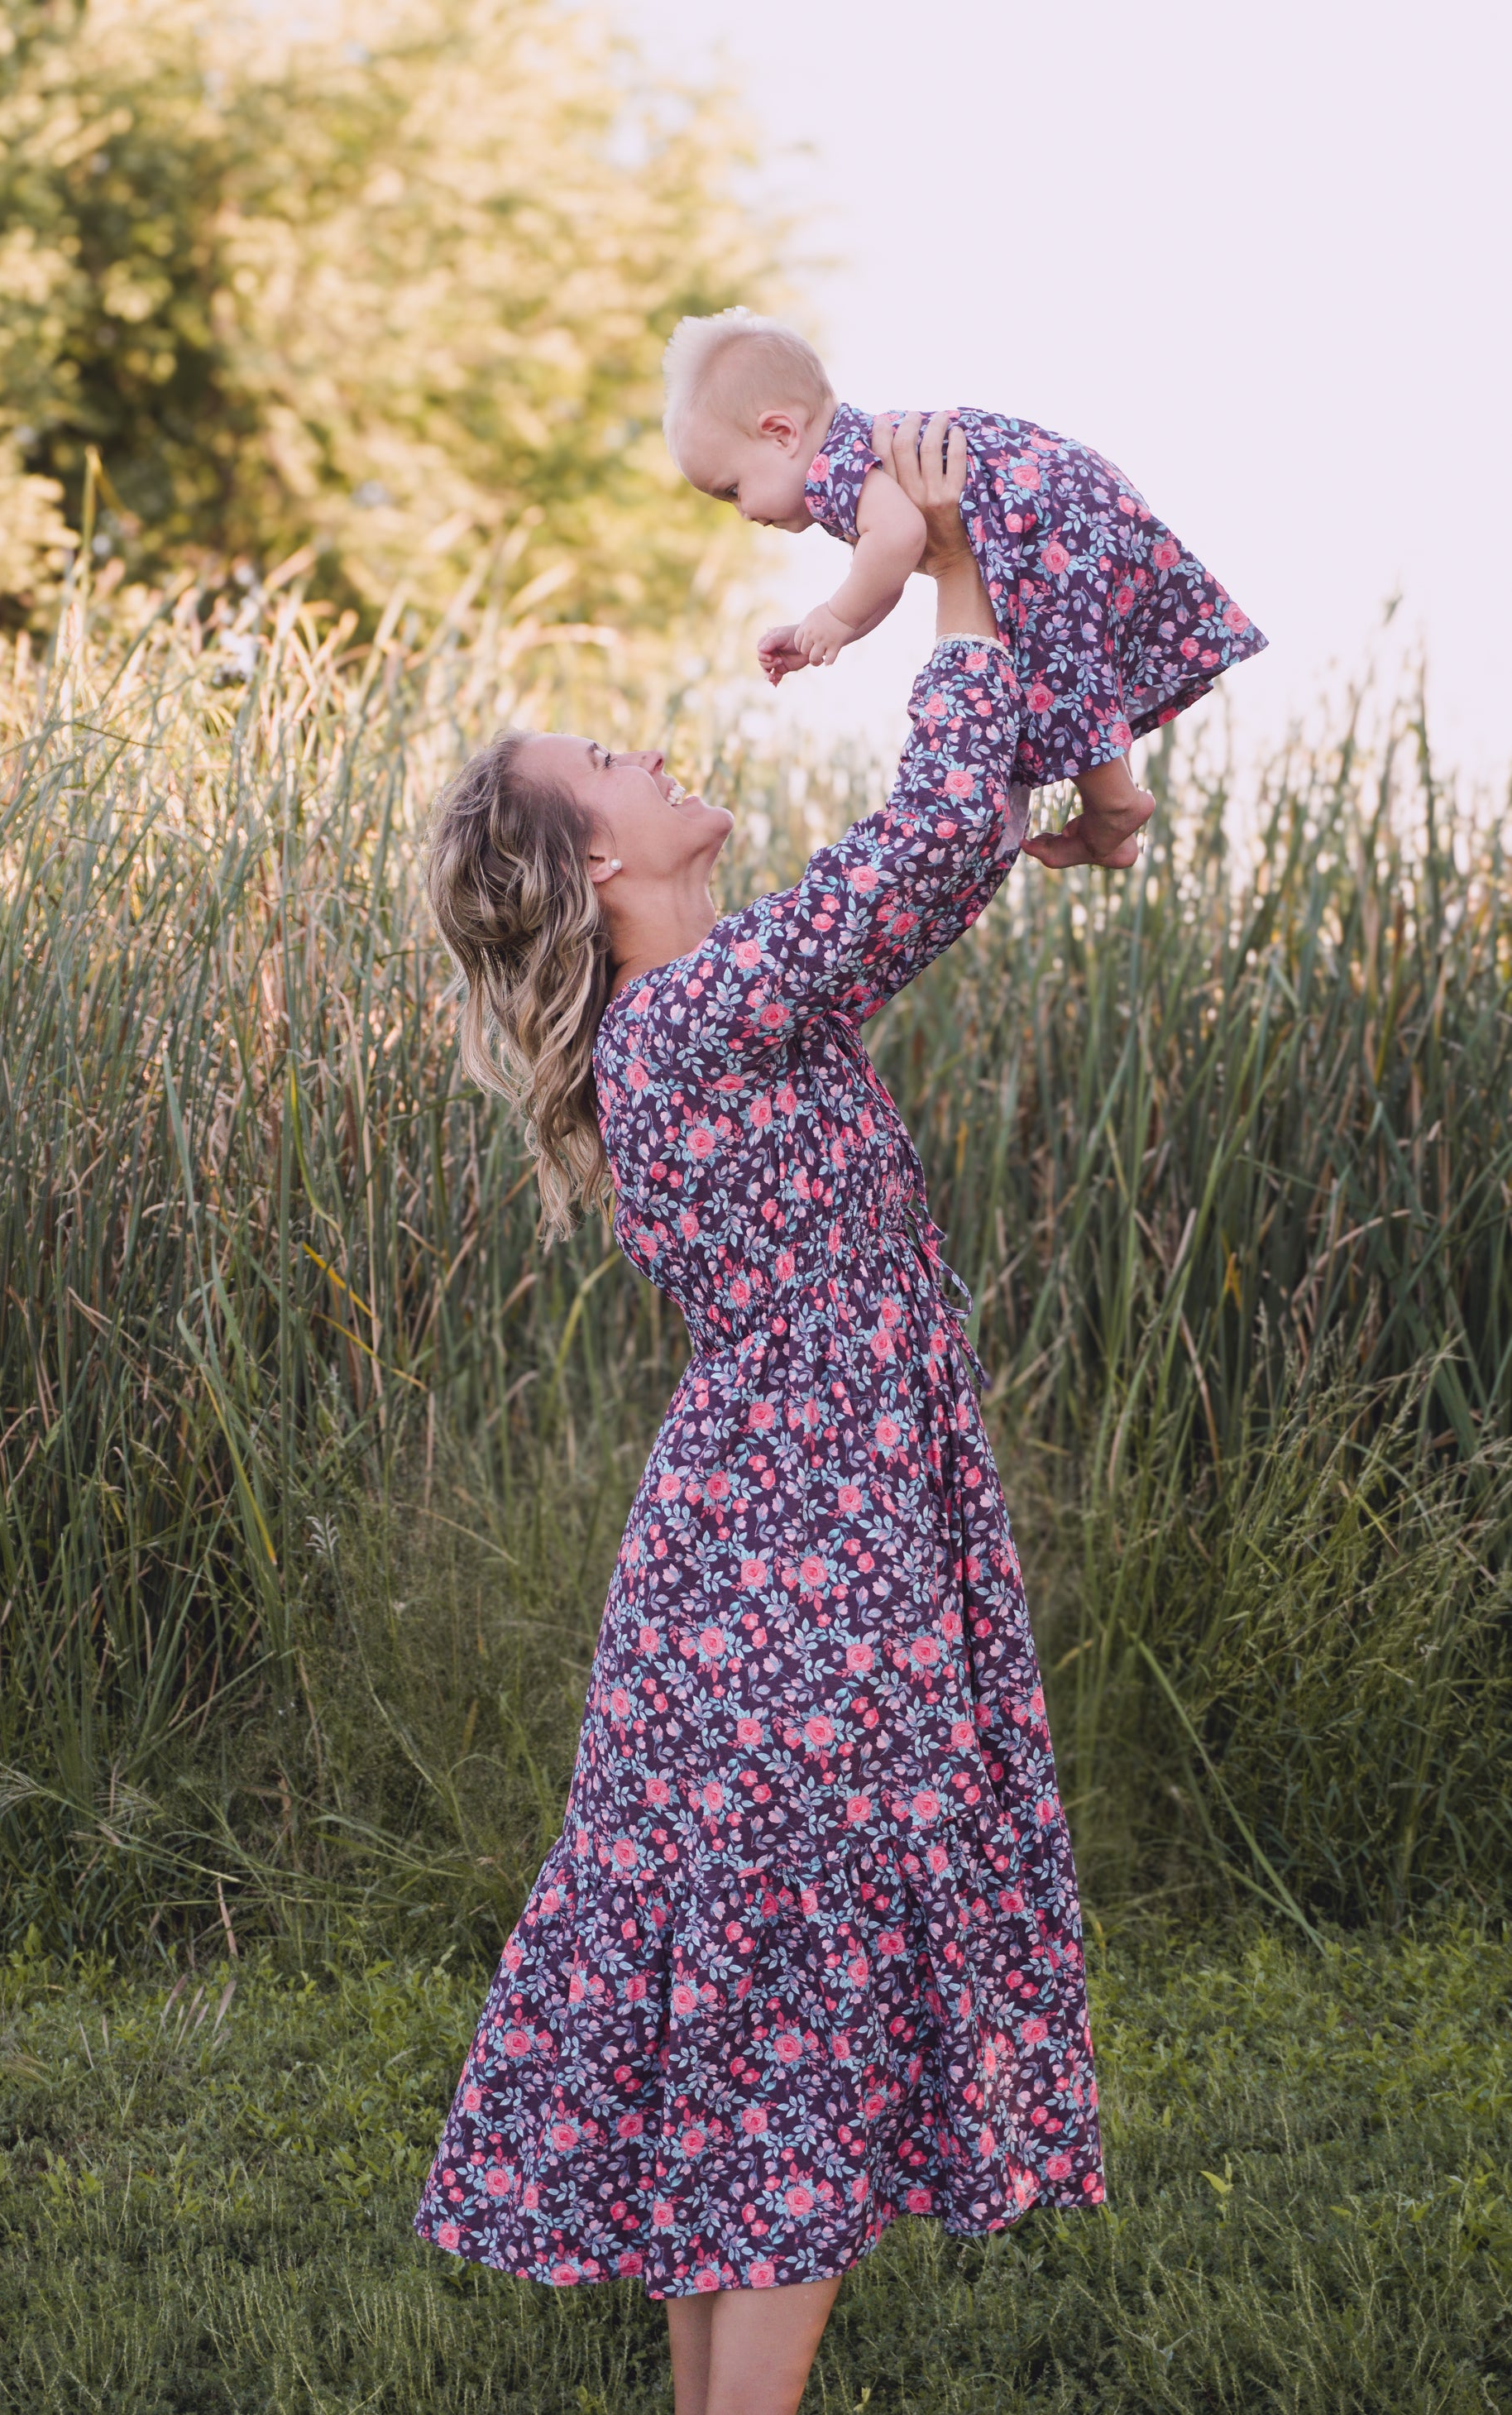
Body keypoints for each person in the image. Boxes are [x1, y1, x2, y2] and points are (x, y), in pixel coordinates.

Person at [414, 427, 1105, 2415]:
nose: (648, 758)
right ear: (597, 861)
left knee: (747, 1996)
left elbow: (930, 865)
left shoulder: (704, 1015)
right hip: (804, 1542)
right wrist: (958, 564)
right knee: (787, 1994)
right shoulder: (706, 1020)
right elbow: (938, 845)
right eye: (609, 769)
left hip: (771, 1533)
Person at [664, 306, 1267, 872]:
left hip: (1048, 521)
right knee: (1065, 659)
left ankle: (1115, 806)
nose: (741, 513)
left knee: (1054, 660)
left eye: (732, 490)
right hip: (1068, 500)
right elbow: (889, 573)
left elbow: (898, 538)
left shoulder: (833, 468)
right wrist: (821, 633)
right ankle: (1116, 804)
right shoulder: (855, 454)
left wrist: (835, 617)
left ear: (780, 433)